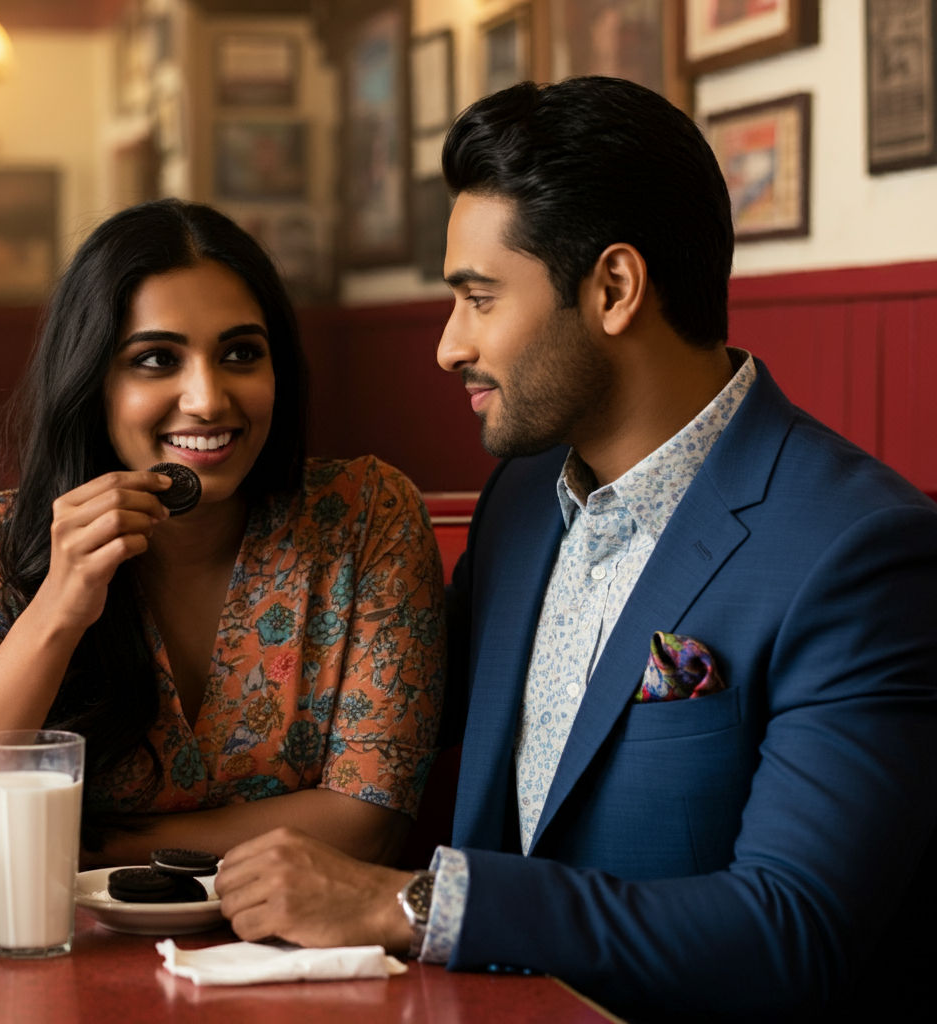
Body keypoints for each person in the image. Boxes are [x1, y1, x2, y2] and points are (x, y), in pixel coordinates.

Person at [211, 77, 937, 1022]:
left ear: (614, 289)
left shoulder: (860, 552)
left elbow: (787, 932)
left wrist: (407, 904)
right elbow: (365, 725)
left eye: (478, 298)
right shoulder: (520, 501)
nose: (446, 345)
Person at [0, 198, 445, 881]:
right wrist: (60, 607)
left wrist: (72, 844)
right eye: (157, 359)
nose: (208, 399)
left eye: (241, 354)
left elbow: (366, 827)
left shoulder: (367, 518)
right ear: (91, 381)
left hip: (295, 961)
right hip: (54, 958)